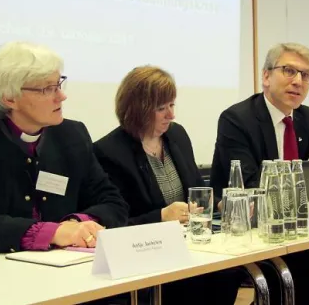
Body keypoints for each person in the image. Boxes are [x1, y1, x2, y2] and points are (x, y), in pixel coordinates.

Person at [211, 42, 309, 305]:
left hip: (300, 227)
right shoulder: (237, 119)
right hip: (253, 228)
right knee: (307, 275)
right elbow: (250, 187)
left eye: (306, 75)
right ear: (266, 76)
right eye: (288, 71)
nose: (298, 81)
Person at [0, 41, 129, 254]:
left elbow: (114, 202)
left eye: (59, 84)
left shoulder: (72, 134)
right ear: (10, 98)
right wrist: (52, 233)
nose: (61, 96)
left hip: (69, 268)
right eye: (47, 89)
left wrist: (76, 224)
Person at [94, 66, 243, 305]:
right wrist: (162, 216)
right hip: (147, 255)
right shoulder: (109, 152)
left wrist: (220, 204)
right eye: (161, 108)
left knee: (228, 271)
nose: (171, 115)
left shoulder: (177, 135)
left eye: (172, 105)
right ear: (137, 110)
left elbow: (196, 191)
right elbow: (115, 225)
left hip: (191, 247)